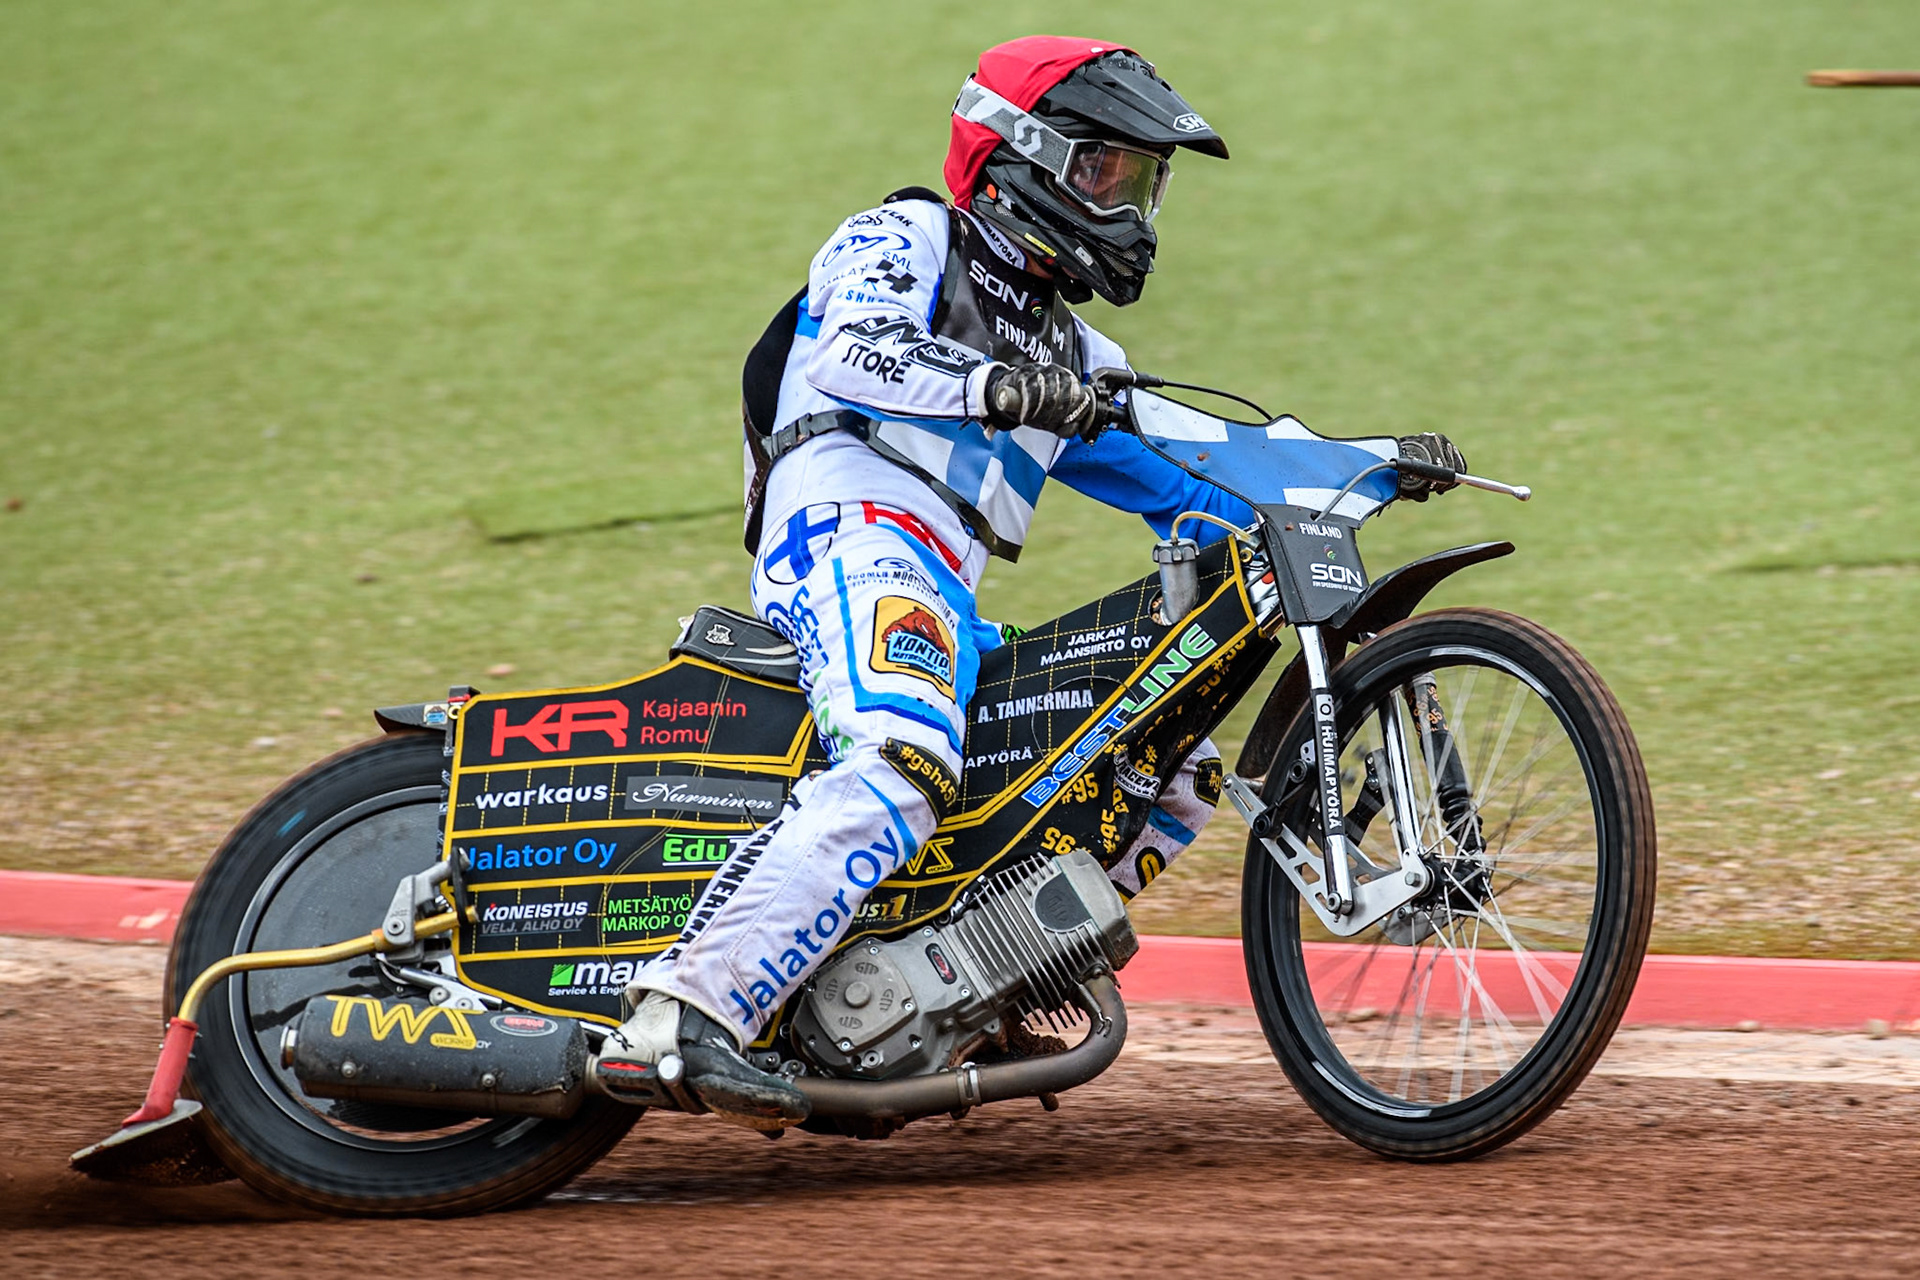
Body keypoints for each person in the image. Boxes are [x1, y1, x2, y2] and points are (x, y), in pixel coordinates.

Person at [598, 35, 1463, 1128]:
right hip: (847, 537)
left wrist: (1362, 466)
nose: (1131, 207)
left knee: (1167, 760)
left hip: (943, 594)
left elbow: (1206, 467)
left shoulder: (1075, 352)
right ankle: (682, 1013)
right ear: (1021, 158)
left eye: (1144, 182)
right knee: (903, 757)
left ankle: (975, 981)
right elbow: (851, 352)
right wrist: (1003, 387)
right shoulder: (907, 235)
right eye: (1106, 171)